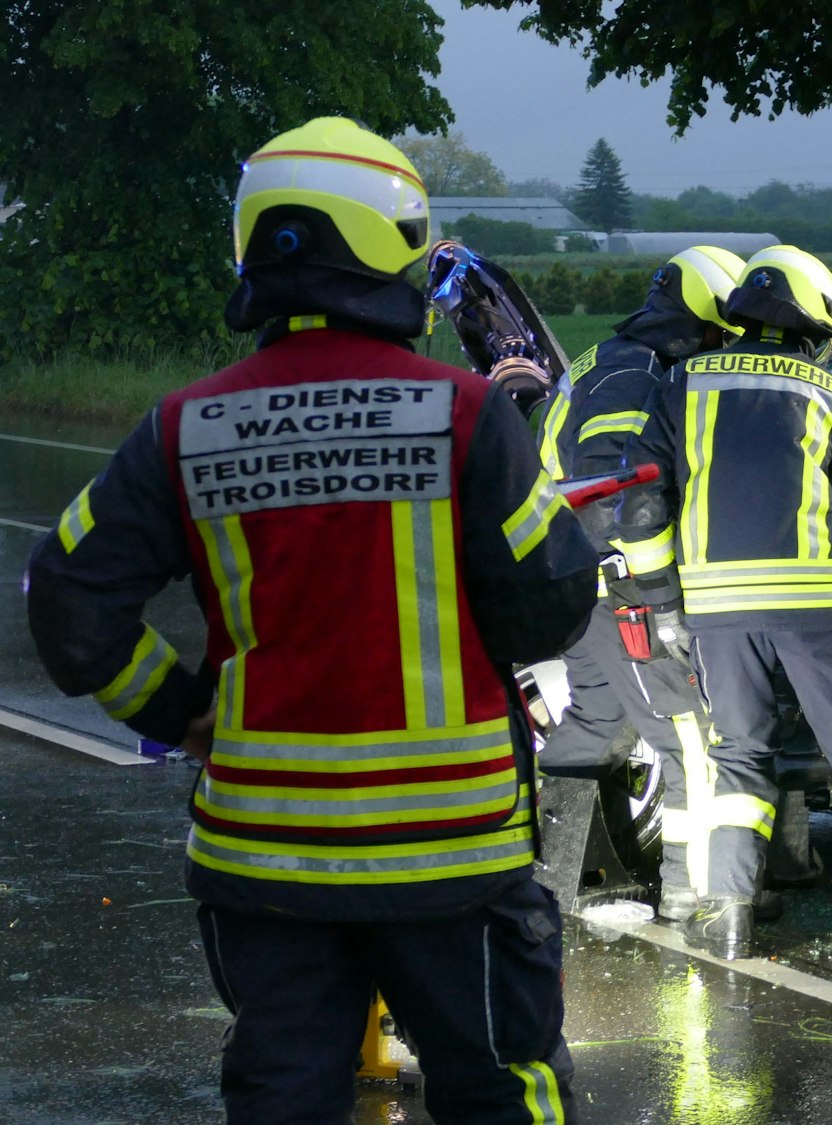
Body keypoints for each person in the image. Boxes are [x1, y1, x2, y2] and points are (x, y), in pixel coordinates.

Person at [24, 118, 596, 1123]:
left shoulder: (183, 425)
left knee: (281, 1098)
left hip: (264, 858)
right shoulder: (467, 414)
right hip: (451, 854)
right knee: (502, 1091)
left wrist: (183, 712)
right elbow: (554, 601)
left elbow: (69, 602)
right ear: (392, 241)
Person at [615, 244, 832, 982]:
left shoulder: (679, 384)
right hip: (816, 606)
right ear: (814, 319)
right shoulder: (830, 392)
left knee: (739, 755)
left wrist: (663, 604)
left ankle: (731, 915)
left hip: (715, 614)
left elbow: (644, 502)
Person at [533, 245, 752, 923]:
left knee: (598, 721)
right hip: (621, 586)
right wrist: (659, 601)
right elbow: (619, 494)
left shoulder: (606, 359)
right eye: (723, 334)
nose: (724, 348)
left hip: (569, 580)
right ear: (700, 321)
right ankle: (696, 893)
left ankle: (548, 873)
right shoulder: (644, 375)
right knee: (688, 730)